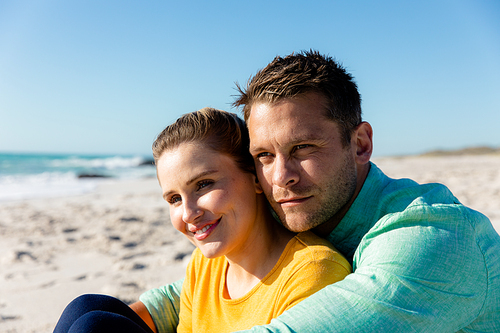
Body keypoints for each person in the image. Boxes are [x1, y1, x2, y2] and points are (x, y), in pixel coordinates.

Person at [134, 51, 500, 332]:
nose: (281, 177)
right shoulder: (309, 214)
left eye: (303, 148)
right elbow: (187, 295)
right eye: (264, 155)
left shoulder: (429, 238)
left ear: (359, 144)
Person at [53, 107, 351, 333]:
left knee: (93, 325)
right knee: (87, 307)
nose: (188, 213)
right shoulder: (206, 264)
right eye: (174, 199)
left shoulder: (312, 272)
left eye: (204, 184)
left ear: (256, 177)